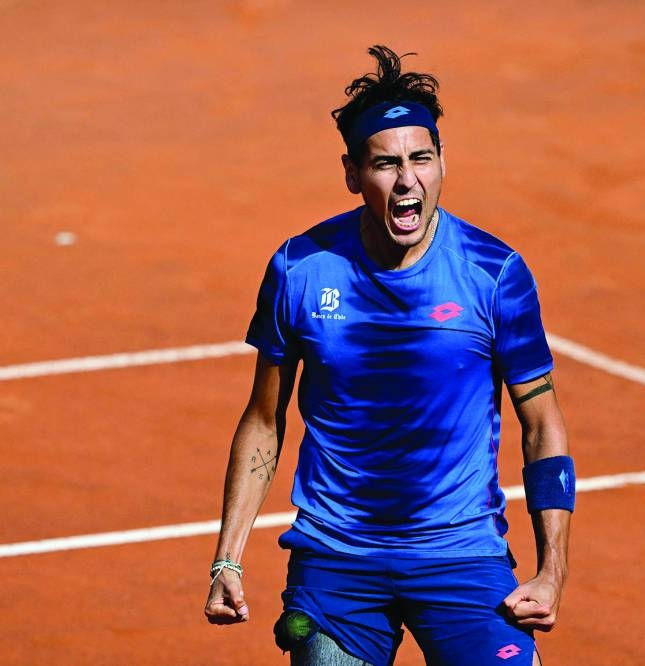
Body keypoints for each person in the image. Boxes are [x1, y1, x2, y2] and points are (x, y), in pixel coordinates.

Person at [203, 45, 574, 666]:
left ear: (441, 161)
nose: (408, 181)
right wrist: (227, 557)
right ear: (353, 173)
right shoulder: (300, 268)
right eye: (385, 164)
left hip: (462, 552)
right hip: (338, 557)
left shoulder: (494, 273)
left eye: (421, 159)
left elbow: (542, 425)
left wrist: (552, 569)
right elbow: (264, 421)